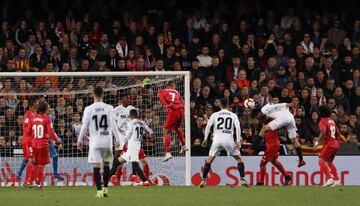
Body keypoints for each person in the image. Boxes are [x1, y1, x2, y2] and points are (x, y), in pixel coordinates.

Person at [77, 87, 120, 198]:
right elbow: (113, 124)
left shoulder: (88, 109)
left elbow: (84, 125)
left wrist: (79, 139)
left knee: (96, 166)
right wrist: (118, 139)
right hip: (107, 142)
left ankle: (99, 192)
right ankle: (105, 189)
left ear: (93, 95)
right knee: (106, 165)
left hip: (95, 142)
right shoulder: (109, 108)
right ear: (103, 94)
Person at [199, 98, 249, 188]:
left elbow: (208, 126)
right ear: (228, 105)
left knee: (210, 160)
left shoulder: (215, 114)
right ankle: (242, 179)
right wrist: (237, 140)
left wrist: (205, 138)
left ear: (220, 105)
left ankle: (203, 180)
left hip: (217, 139)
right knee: (239, 159)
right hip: (228, 139)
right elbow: (237, 127)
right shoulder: (233, 115)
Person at [111, 95, 151, 184]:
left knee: (135, 156)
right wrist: (116, 137)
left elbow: (136, 121)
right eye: (126, 98)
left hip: (131, 136)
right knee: (118, 156)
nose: (128, 100)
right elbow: (112, 123)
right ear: (122, 99)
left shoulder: (132, 108)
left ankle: (134, 176)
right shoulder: (116, 109)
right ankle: (113, 176)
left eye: (129, 98)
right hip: (120, 135)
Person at [26, 101, 63, 188]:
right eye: (48, 107)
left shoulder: (33, 119)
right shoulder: (47, 119)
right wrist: (58, 142)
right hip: (43, 145)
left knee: (34, 163)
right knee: (41, 164)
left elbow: (28, 131)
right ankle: (38, 184)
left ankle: (29, 182)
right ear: (46, 109)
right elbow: (51, 132)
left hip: (34, 144)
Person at [259, 99, 305, 167]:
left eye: (276, 100)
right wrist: (287, 104)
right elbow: (283, 105)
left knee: (264, 128)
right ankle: (301, 160)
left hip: (283, 119)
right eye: (274, 100)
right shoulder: (278, 107)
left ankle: (255, 144)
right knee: (293, 140)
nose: (275, 101)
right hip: (291, 118)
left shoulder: (265, 108)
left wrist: (288, 104)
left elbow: (281, 105)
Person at [157, 81, 188, 162]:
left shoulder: (162, 91)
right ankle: (184, 145)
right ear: (172, 86)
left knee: (166, 132)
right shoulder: (177, 92)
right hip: (181, 110)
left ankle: (168, 153)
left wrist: (165, 105)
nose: (174, 88)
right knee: (177, 128)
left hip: (173, 111)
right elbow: (182, 101)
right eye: (174, 86)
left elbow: (160, 96)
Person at [313, 105, 341, 187]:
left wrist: (317, 142)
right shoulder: (331, 121)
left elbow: (323, 132)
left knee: (321, 161)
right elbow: (337, 133)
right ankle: (337, 180)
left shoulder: (323, 121)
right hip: (335, 144)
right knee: (329, 162)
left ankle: (329, 178)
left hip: (330, 144)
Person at [257, 122, 292, 186]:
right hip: (272, 144)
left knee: (262, 163)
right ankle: (287, 176)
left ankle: (261, 182)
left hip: (272, 146)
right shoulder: (269, 122)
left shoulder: (272, 122)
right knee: (274, 162)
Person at [19, 96, 38, 187]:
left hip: (33, 141)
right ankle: (27, 182)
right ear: (33, 103)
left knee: (34, 161)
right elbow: (25, 127)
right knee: (31, 160)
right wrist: (33, 130)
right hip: (28, 141)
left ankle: (29, 182)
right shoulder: (28, 114)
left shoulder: (34, 114)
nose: (38, 104)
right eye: (37, 102)